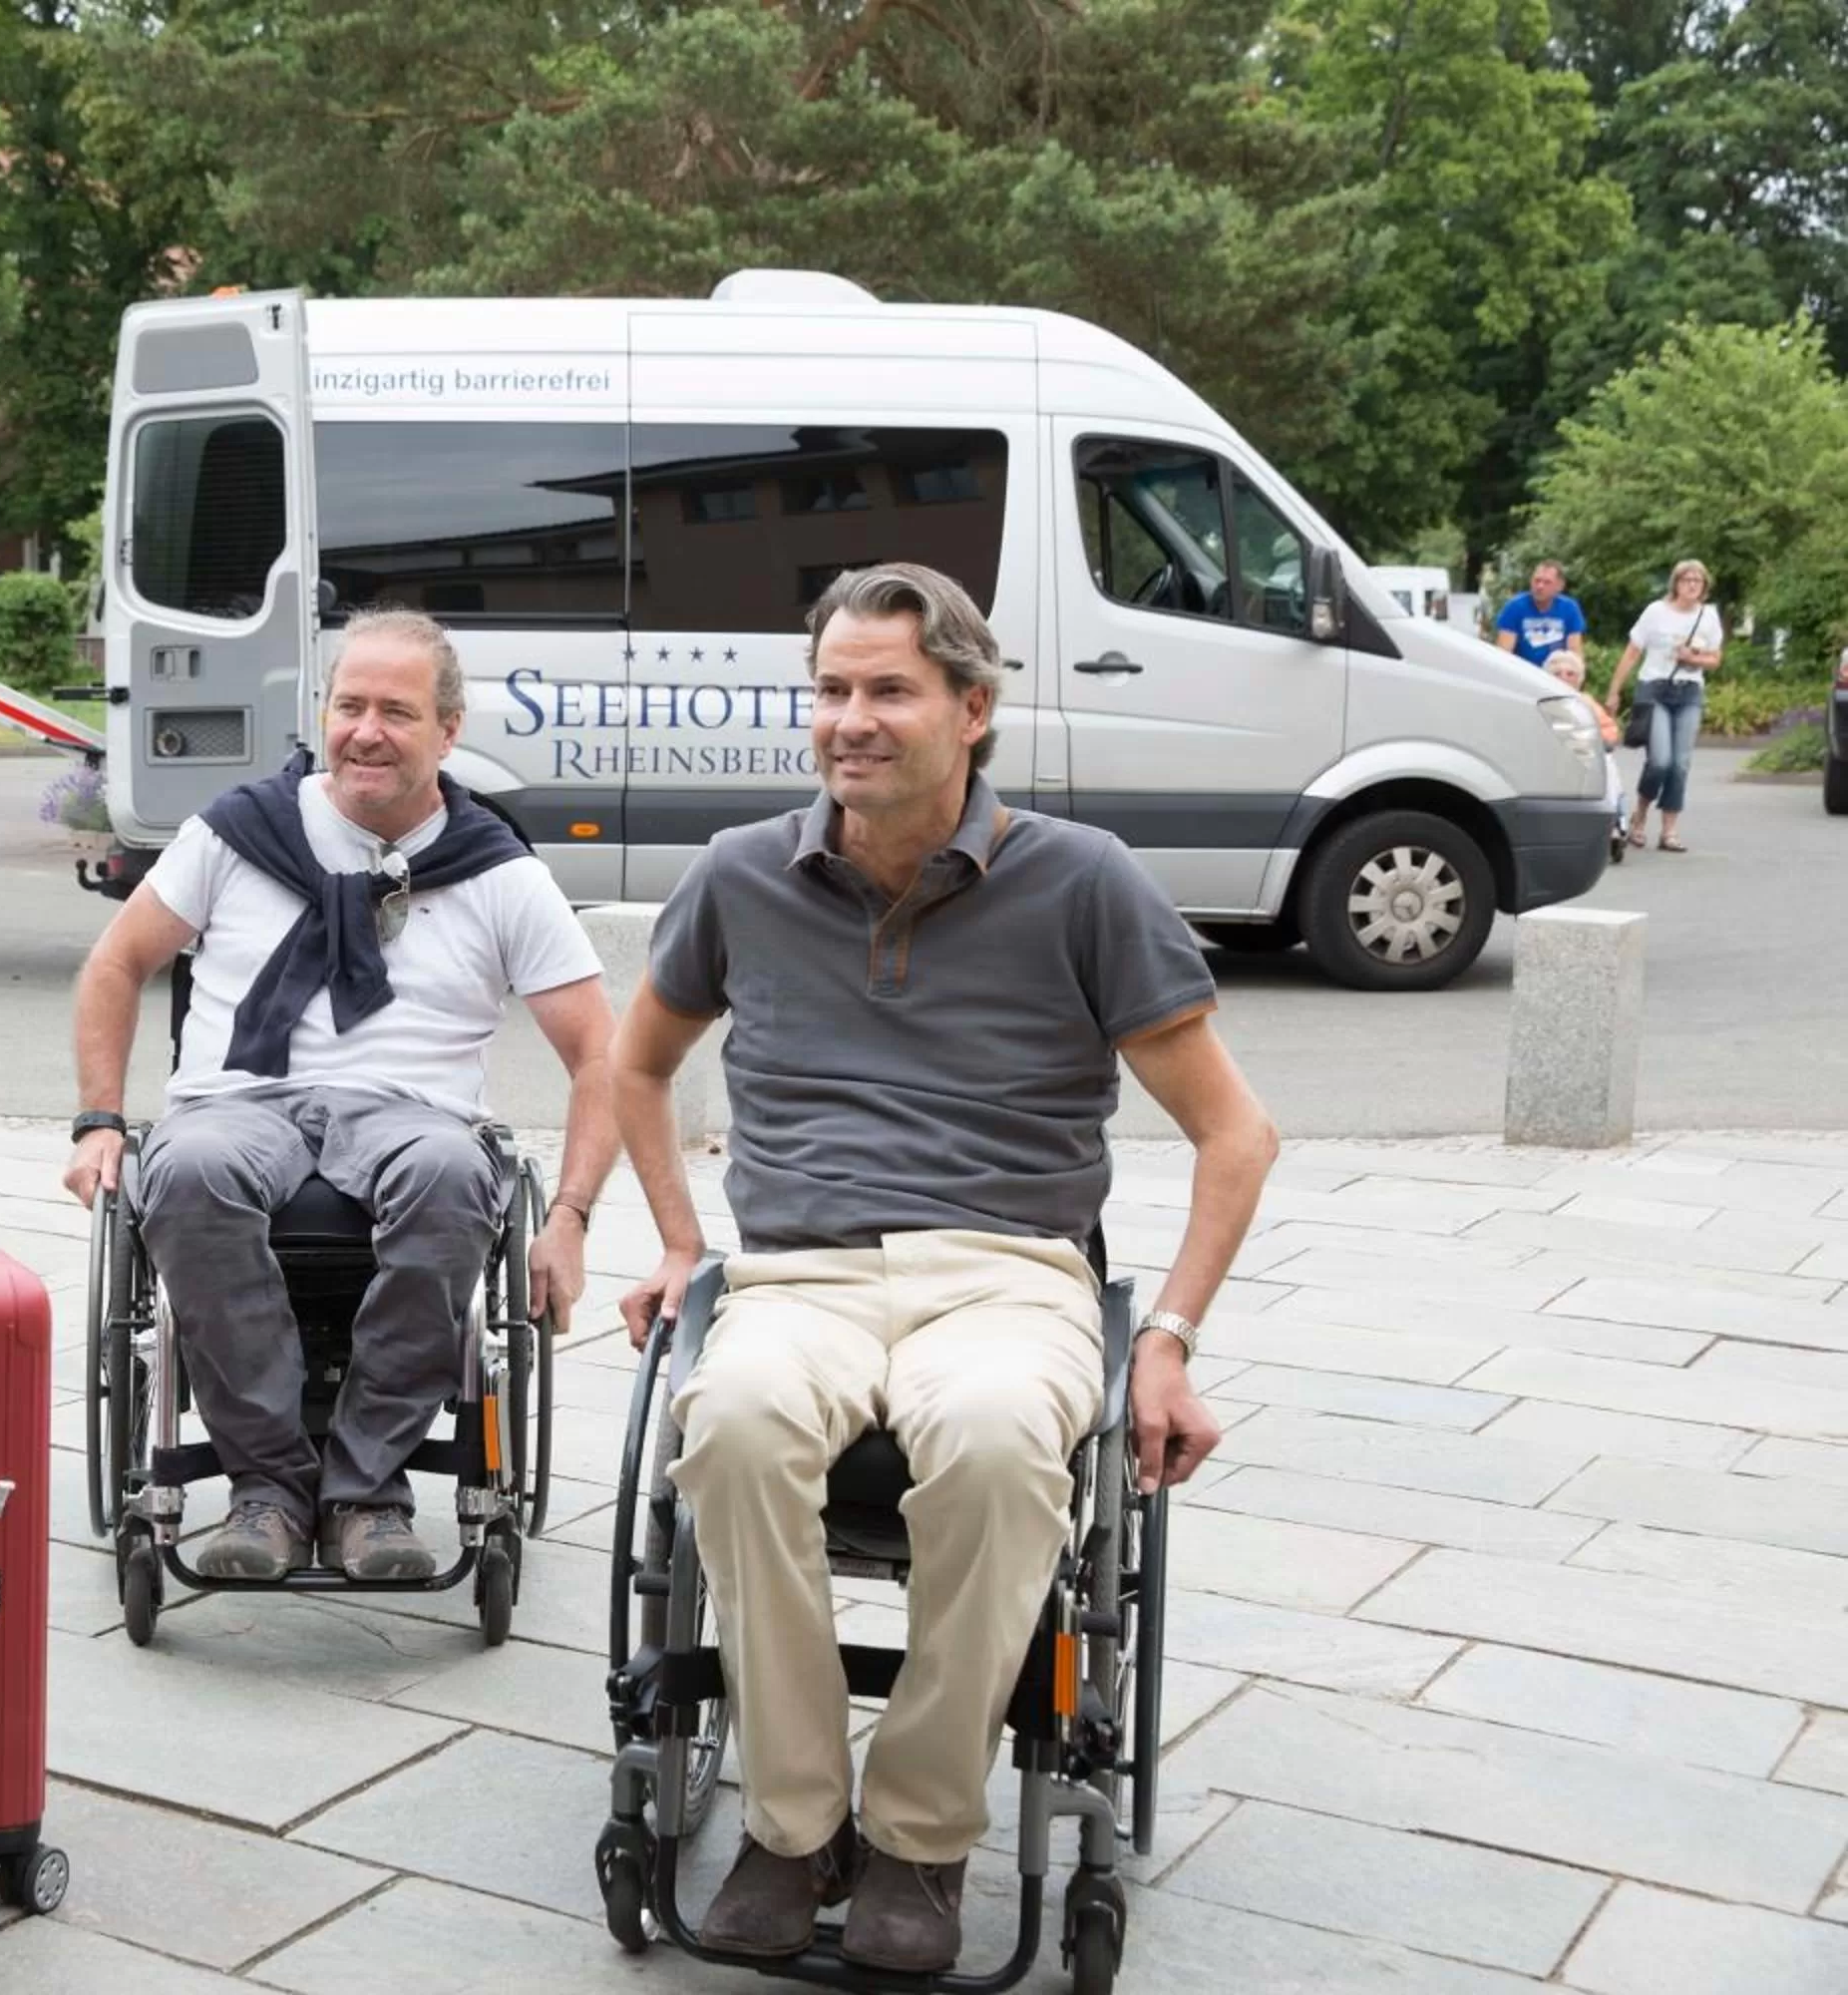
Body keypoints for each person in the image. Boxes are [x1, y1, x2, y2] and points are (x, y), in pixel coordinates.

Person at [613, 563, 1275, 1973]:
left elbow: (1237, 1133)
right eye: (831, 689)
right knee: (729, 1426)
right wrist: (677, 1240)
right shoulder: (741, 873)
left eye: (889, 690)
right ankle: (796, 1826)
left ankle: (919, 1833)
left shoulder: (1083, 879)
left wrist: (1166, 1338)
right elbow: (638, 1063)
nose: (850, 719)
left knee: (992, 1444)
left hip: (1008, 1273)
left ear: (973, 709)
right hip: (799, 1274)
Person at [62, 609, 619, 1581]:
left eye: (396, 711)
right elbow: (116, 962)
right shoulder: (238, 832)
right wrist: (99, 1121)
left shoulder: (496, 869)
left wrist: (568, 1218)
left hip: (415, 1113)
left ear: (448, 730)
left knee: (454, 1177)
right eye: (348, 705)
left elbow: (603, 1055)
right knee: (184, 1171)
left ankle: (366, 1491)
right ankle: (270, 1487)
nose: (366, 730)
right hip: (239, 1101)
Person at [1604, 558, 1725, 853]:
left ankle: (1669, 829)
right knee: (1660, 761)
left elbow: (1715, 659)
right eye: (1687, 580)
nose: (1692, 585)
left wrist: (1693, 658)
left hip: (1689, 691)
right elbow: (1633, 652)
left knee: (1680, 763)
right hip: (1655, 689)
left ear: (1704, 587)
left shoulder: (1708, 616)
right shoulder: (1656, 612)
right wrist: (1614, 691)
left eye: (1697, 581)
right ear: (1676, 583)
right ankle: (1640, 815)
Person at [1545, 650, 1629, 862]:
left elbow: (1609, 730)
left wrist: (1602, 741)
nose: (1564, 678)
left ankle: (1614, 825)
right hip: (1552, 755)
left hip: (1586, 754)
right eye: (1557, 673)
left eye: (1570, 674)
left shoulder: (1586, 703)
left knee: (1608, 765)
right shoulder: (1541, 701)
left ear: (1580, 679)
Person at [1493, 560, 1587, 667]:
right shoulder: (1515, 606)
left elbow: (1575, 654)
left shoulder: (1569, 608)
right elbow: (1504, 653)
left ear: (1560, 586)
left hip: (1556, 672)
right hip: (1522, 670)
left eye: (1547, 582)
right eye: (1537, 581)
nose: (1540, 586)